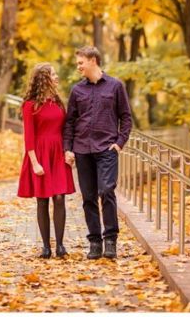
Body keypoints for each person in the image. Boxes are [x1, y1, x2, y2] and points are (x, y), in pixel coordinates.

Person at [64, 47, 132, 261]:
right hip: (82, 150)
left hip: (106, 149)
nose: (78, 67)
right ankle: (95, 241)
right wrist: (68, 148)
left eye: (81, 62)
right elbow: (70, 122)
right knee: (88, 198)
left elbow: (126, 117)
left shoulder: (115, 86)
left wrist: (119, 143)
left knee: (107, 191)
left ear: (93, 61)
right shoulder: (77, 91)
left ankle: (110, 239)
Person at [17, 63, 75, 260]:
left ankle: (60, 245)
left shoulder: (58, 102)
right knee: (42, 200)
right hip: (40, 154)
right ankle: (45, 246)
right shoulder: (30, 105)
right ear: (44, 79)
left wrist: (68, 151)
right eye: (54, 74)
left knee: (59, 198)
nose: (57, 77)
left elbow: (66, 128)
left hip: (58, 153)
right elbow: (29, 137)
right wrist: (35, 163)